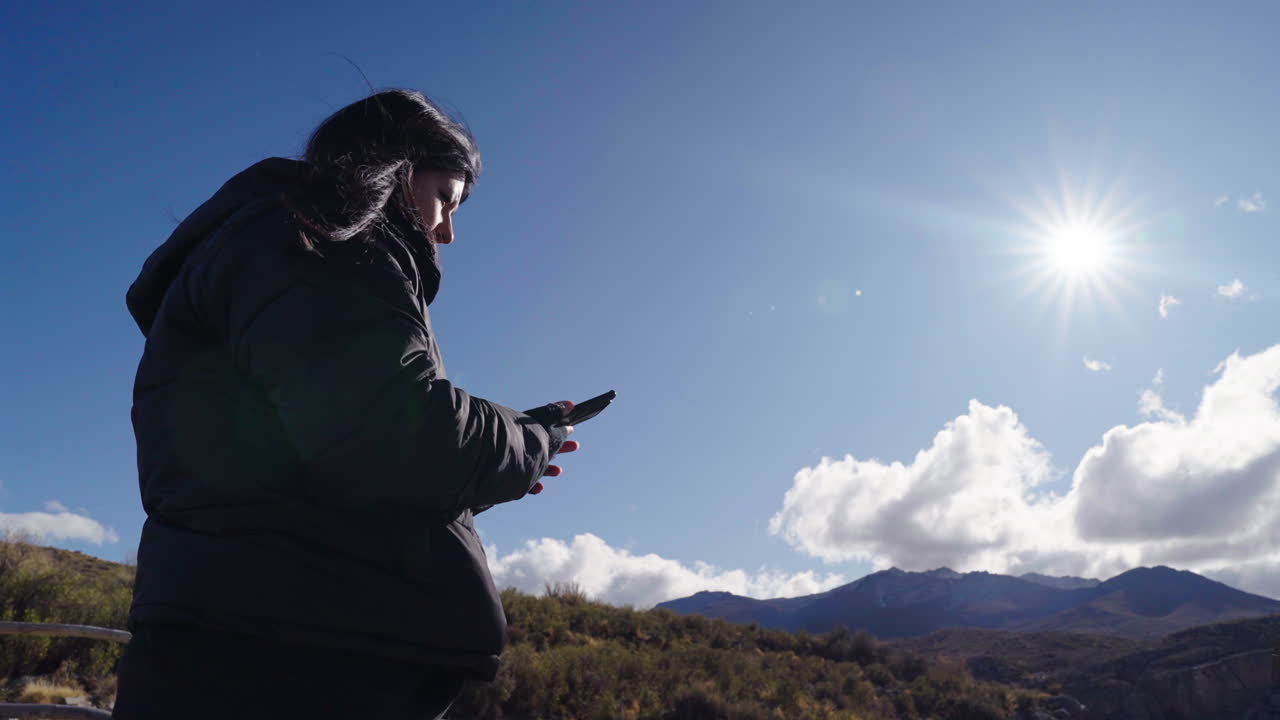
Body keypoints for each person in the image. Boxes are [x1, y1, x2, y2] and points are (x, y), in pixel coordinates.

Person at [113, 89, 579, 719]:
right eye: (446, 198)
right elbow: (393, 436)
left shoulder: (281, 250)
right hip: (297, 652)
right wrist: (529, 440)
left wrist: (481, 471)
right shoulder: (323, 242)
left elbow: (338, 459)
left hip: (264, 632)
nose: (446, 230)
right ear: (395, 166)